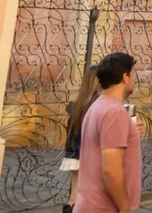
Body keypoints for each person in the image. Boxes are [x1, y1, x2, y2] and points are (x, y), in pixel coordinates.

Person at [74, 53, 141, 213]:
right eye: (132, 74)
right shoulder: (114, 112)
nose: (134, 79)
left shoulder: (98, 106)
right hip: (104, 207)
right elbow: (111, 168)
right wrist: (124, 207)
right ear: (125, 77)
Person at [62, 66, 99, 213]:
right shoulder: (98, 103)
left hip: (73, 154)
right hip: (88, 154)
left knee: (74, 195)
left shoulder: (77, 104)